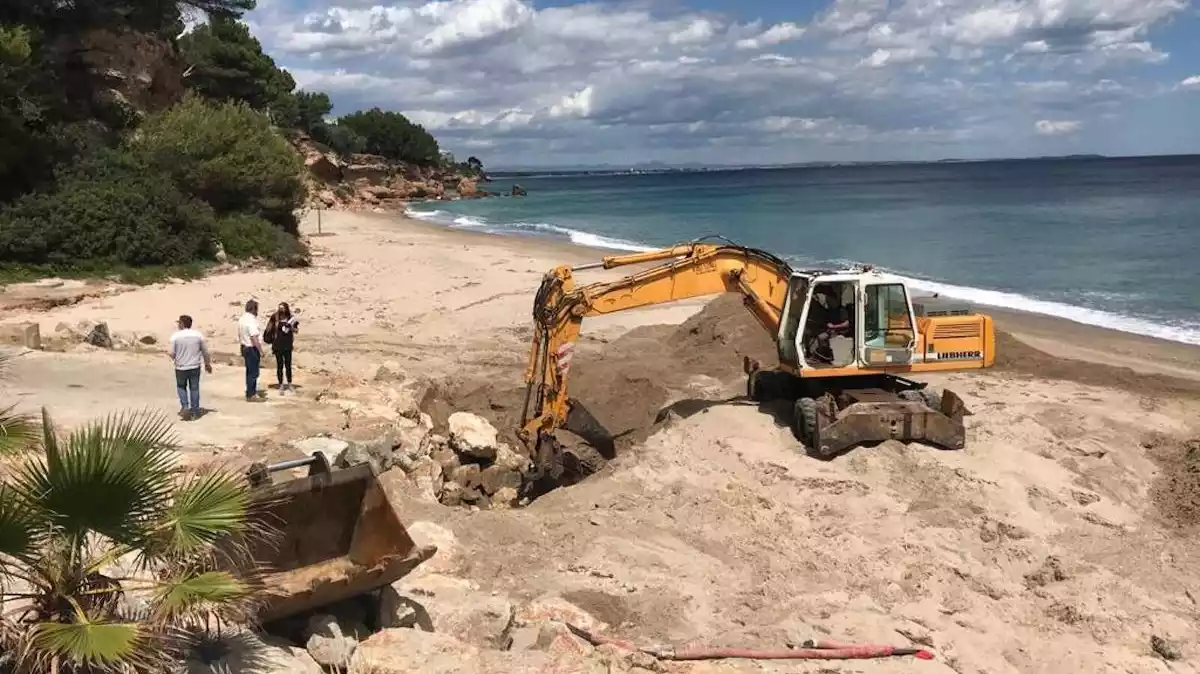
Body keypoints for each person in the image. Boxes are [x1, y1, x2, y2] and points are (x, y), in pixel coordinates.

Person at [168, 315, 212, 421]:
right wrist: (207, 364)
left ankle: (185, 406)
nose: (178, 325)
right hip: (194, 366)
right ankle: (195, 411)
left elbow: (172, 353)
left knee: (181, 386)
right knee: (194, 388)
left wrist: (171, 355)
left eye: (179, 323)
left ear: (182, 324)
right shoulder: (198, 335)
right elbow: (205, 352)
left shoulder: (175, 336)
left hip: (181, 366)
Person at [807, 286, 851, 363]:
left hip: (839, 331)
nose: (828, 301)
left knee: (821, 337)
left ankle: (825, 355)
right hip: (830, 330)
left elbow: (846, 324)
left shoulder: (841, 310)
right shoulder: (829, 310)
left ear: (834, 300)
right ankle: (816, 355)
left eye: (829, 300)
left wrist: (834, 327)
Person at [265, 301, 300, 393]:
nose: (281, 310)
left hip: (287, 345)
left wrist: (290, 327)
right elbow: (269, 328)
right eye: (280, 308)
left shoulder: (291, 318)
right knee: (279, 365)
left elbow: (296, 331)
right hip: (277, 344)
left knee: (288, 365)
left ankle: (289, 384)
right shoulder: (275, 317)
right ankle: (281, 385)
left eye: (283, 308)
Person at [238, 299, 265, 402]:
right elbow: (254, 337)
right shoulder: (251, 320)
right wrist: (261, 351)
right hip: (251, 347)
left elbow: (240, 334)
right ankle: (251, 394)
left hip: (244, 346)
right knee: (254, 372)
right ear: (254, 309)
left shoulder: (242, 319)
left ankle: (250, 392)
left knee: (249, 371)